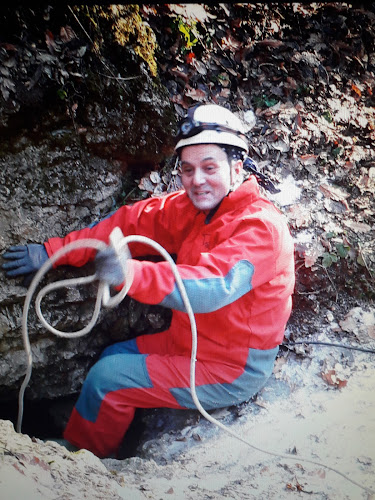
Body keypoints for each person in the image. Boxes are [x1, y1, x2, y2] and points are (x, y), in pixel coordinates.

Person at [2, 104, 295, 458]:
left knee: (109, 379)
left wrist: (130, 273)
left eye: (209, 167)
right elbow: (132, 222)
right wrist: (56, 251)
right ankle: (100, 436)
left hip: (231, 368)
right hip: (191, 342)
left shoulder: (260, 228)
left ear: (237, 168)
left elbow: (210, 289)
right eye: (187, 170)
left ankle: (80, 460)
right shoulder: (196, 208)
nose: (196, 180)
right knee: (111, 357)